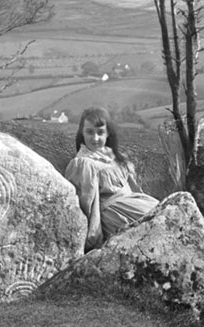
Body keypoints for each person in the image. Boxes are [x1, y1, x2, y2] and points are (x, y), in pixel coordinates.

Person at [63, 106, 159, 250]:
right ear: (82, 133)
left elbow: (132, 188)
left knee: (168, 214)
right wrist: (93, 238)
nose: (95, 138)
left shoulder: (114, 157)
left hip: (132, 203)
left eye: (100, 132)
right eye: (89, 132)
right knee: (158, 226)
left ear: (108, 134)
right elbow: (87, 205)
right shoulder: (84, 163)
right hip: (115, 214)